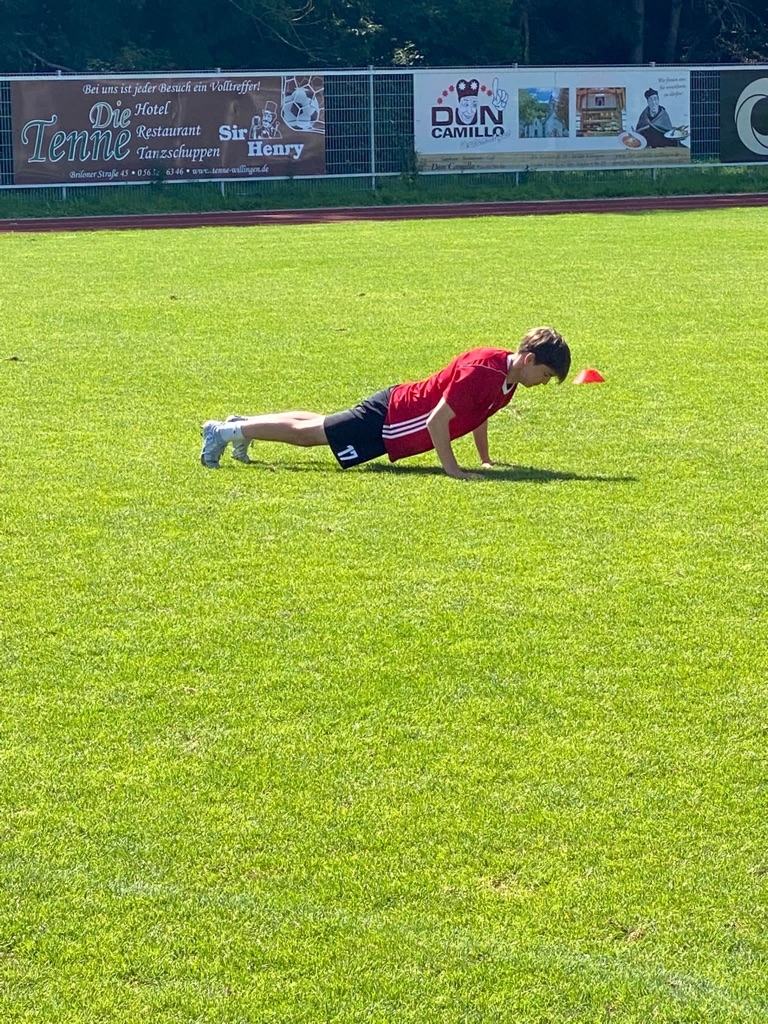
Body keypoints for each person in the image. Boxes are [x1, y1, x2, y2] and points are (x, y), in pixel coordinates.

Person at [199, 326, 570, 481]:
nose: (544, 383)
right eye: (546, 374)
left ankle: (244, 425)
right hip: (393, 417)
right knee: (310, 435)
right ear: (528, 359)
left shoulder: (506, 379)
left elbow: (476, 413)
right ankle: (223, 431)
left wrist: (485, 458)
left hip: (395, 410)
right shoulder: (483, 371)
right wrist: (453, 470)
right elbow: (436, 421)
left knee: (321, 423)